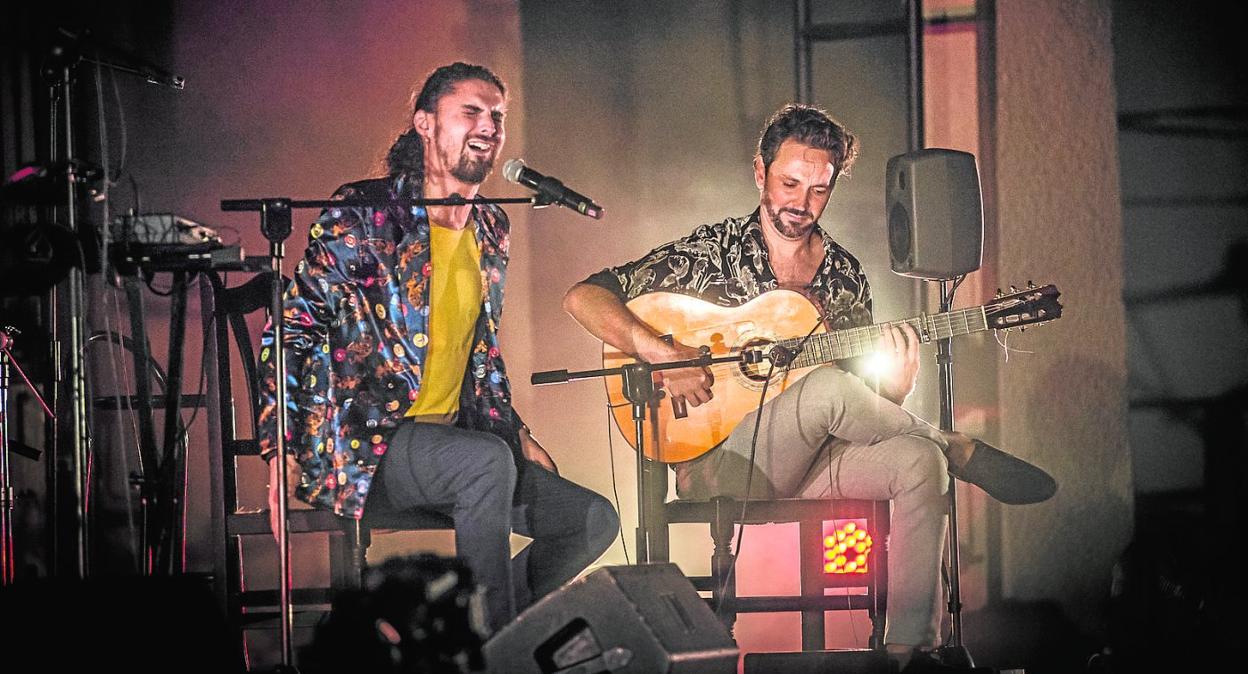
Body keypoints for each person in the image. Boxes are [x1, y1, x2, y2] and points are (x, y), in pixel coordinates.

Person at [562, 103, 1053, 669]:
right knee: (828, 389)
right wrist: (663, 353)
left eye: (819, 189)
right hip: (720, 464)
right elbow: (583, 297)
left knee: (920, 462)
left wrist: (893, 393)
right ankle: (957, 445)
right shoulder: (712, 253)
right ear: (760, 172)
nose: (801, 202)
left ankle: (904, 654)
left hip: (814, 460)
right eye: (790, 183)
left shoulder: (844, 275)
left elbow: (854, 412)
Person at [257, 62, 619, 635]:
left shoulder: (491, 225)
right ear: (424, 124)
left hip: (457, 450)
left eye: (497, 115)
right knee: (485, 462)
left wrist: (518, 432)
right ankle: (489, 655)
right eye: (470, 111)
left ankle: (471, 632)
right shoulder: (365, 214)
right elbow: (293, 329)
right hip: (366, 444)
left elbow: (479, 354)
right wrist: (279, 448)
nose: (489, 126)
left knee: (591, 520)